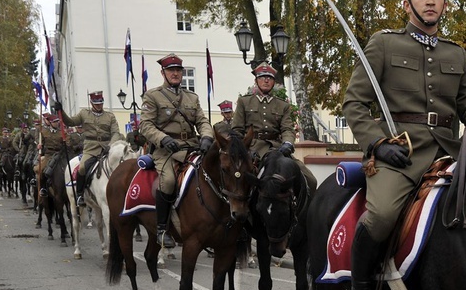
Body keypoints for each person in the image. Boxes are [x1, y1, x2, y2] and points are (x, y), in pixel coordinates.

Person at [342, 0, 466, 290]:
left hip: (448, 152)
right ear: (407, 3)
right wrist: (377, 143)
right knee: (380, 216)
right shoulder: (384, 43)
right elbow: (355, 104)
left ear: (444, 4)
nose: (430, 1)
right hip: (400, 155)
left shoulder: (456, 53)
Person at [139, 53, 214, 248]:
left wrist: (206, 137)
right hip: (166, 151)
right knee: (169, 181)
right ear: (163, 73)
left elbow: (202, 121)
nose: (175, 74)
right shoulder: (152, 96)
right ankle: (162, 229)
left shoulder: (192, 97)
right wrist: (162, 139)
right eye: (171, 70)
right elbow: (145, 126)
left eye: (178, 70)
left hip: (191, 147)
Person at [231, 62, 317, 186]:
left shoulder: (283, 105)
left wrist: (287, 143)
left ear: (273, 82)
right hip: (252, 149)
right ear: (256, 81)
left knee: (310, 180)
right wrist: (245, 149)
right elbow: (237, 130)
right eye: (262, 78)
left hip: (277, 150)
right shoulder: (244, 102)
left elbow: (287, 129)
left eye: (269, 78)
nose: (266, 80)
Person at [54, 91, 122, 206]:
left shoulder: (110, 116)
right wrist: (61, 111)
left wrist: (111, 145)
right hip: (91, 148)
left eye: (101, 103)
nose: (99, 106)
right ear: (91, 103)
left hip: (107, 147)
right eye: (97, 104)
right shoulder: (84, 114)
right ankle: (80, 194)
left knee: (119, 166)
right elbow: (70, 122)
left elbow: (116, 133)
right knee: (82, 168)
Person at [35, 114, 66, 197]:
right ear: (51, 123)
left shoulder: (62, 132)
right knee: (42, 170)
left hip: (60, 155)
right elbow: (41, 143)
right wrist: (39, 146)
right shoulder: (43, 132)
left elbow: (66, 144)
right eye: (55, 122)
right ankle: (43, 188)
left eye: (57, 122)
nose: (57, 123)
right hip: (49, 154)